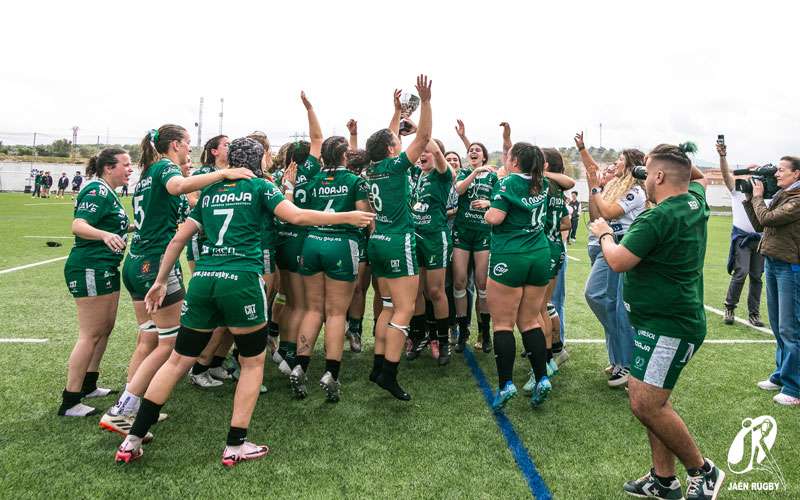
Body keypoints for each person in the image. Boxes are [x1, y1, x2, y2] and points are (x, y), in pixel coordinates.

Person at [114, 136, 373, 466]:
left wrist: (162, 279)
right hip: (242, 282)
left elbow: (179, 237)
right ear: (258, 161)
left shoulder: (208, 190)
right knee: (252, 364)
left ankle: (133, 437)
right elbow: (296, 217)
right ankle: (235, 444)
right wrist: (345, 217)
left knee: (178, 360)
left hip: (204, 280)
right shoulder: (261, 188)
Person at [99, 125, 255, 439]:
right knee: (168, 344)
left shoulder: (147, 174)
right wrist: (223, 175)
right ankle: (123, 410)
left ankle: (133, 406)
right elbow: (177, 187)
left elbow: (189, 202)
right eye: (186, 143)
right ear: (175, 145)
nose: (189, 149)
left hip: (136, 262)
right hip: (154, 263)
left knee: (150, 339)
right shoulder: (165, 168)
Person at [590, 143, 725, 500]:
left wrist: (603, 231)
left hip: (669, 326)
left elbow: (618, 260)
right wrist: (659, 161)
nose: (643, 179)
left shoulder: (658, 216)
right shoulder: (694, 200)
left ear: (661, 176)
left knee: (646, 404)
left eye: (648, 173)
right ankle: (664, 480)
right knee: (649, 401)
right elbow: (690, 174)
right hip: (660, 321)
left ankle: (704, 471)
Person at [294, 98, 372, 401]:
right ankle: (331, 373)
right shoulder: (354, 180)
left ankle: (300, 366)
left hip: (312, 242)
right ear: (343, 155)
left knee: (313, 309)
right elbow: (364, 218)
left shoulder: (312, 179)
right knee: (336, 312)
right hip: (342, 244)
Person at [363, 75, 433, 401]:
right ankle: (389, 372)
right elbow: (425, 137)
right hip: (398, 240)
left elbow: (387, 141)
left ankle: (378, 366)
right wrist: (427, 101)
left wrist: (395, 114)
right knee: (403, 310)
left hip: (377, 241)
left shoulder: (371, 169)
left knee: (388, 307)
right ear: (392, 149)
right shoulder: (393, 167)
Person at [58, 149, 133, 416]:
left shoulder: (109, 192)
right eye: (125, 164)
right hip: (89, 266)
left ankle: (89, 384)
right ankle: (70, 400)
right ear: (108, 168)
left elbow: (111, 224)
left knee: (105, 328)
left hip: (105, 267)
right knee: (90, 333)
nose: (130, 169)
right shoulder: (96, 190)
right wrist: (103, 235)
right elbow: (79, 225)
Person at [484, 142, 552, 411]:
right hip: (539, 254)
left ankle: (505, 385)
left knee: (502, 323)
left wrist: (487, 210)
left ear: (514, 162)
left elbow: (496, 217)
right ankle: (542, 378)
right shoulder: (542, 182)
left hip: (510, 255)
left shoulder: (508, 182)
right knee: (530, 320)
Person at [576, 131, 646, 387]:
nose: (615, 163)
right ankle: (619, 358)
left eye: (619, 160)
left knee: (605, 301)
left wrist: (595, 186)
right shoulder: (616, 186)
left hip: (621, 245)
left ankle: (628, 362)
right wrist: (593, 188)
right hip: (608, 244)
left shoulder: (636, 191)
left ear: (630, 166)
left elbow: (609, 212)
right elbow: (597, 214)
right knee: (607, 305)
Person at [743, 156, 800, 406]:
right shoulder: (782, 195)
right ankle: (780, 375)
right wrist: (749, 197)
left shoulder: (796, 200)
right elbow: (759, 223)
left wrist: (757, 196)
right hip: (774, 262)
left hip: (790, 266)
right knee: (778, 326)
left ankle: (794, 387)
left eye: (781, 170)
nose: (777, 174)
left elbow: (767, 218)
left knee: (791, 328)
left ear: (796, 174)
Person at [406, 138, 455, 365]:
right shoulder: (418, 175)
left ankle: (444, 341)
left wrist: (421, 131)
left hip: (436, 238)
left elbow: (435, 148)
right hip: (415, 238)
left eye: (427, 151)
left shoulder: (442, 175)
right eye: (420, 151)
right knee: (415, 291)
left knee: (435, 291)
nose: (422, 154)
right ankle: (419, 336)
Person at [452, 119, 496, 352]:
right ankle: (462, 331)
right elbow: (459, 190)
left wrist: (489, 201)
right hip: (462, 232)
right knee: (459, 281)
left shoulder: (493, 176)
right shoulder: (463, 172)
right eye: (470, 150)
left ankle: (484, 331)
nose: (473, 152)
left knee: (482, 284)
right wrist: (474, 171)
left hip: (483, 234)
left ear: (485, 157)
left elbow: (499, 200)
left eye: (477, 150)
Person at [717, 141, 765, 327]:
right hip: (742, 238)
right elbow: (725, 175)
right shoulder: (738, 190)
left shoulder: (766, 193)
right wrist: (722, 157)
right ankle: (729, 306)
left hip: (760, 240)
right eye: (751, 173)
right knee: (741, 272)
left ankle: (754, 313)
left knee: (756, 276)